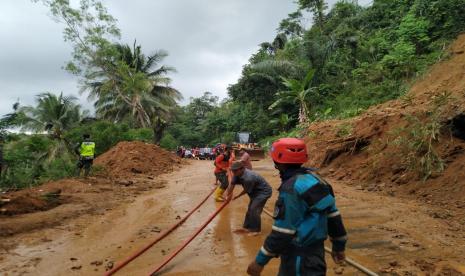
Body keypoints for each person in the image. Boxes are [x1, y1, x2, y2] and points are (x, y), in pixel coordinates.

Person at [247, 138, 348, 276]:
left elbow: (283, 231)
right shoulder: (318, 179)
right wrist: (339, 246)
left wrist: (259, 261)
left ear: (277, 162)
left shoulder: (291, 188)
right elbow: (333, 216)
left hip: (298, 259)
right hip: (317, 256)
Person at [225, 161, 272, 235]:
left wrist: (237, 196)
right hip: (254, 191)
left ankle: (256, 230)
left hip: (263, 192)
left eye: (235, 171)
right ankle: (246, 227)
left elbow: (246, 190)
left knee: (254, 209)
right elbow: (232, 184)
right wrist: (227, 195)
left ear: (242, 169)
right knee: (250, 209)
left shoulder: (249, 178)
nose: (233, 172)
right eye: (232, 170)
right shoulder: (236, 173)